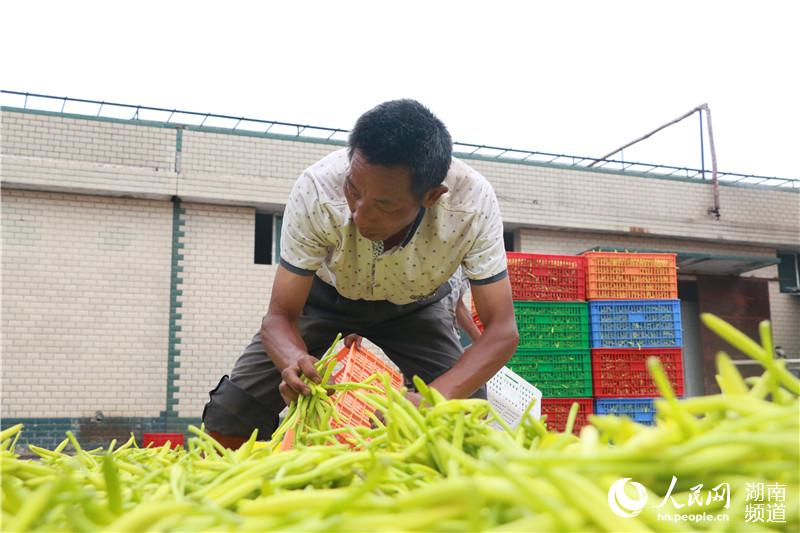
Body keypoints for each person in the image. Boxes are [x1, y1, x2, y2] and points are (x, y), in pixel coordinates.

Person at [202, 99, 519, 449]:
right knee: (232, 411)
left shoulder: (471, 205)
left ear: (432, 196)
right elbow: (278, 317)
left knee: (461, 413)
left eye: (385, 205)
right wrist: (292, 359)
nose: (359, 215)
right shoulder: (317, 190)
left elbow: (502, 330)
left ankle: (426, 497)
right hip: (326, 298)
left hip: (417, 305)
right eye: (354, 190)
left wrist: (436, 398)